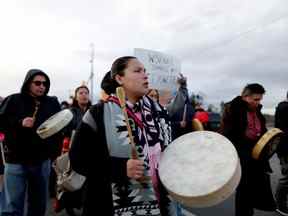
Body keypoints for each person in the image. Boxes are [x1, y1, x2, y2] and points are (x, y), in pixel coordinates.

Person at [69, 56, 176, 216]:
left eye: (145, 71)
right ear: (119, 78)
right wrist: (119, 167)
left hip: (160, 203)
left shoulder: (159, 113)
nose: (145, 75)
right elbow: (78, 159)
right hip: (109, 205)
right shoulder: (98, 113)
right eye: (137, 70)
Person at [0, 69, 62, 216]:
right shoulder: (13, 100)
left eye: (45, 84)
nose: (42, 86)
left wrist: (54, 153)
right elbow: (1, 123)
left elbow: (60, 128)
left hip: (41, 161)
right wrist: (20, 123)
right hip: (16, 161)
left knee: (38, 204)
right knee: (11, 205)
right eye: (38, 83)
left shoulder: (51, 102)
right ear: (28, 83)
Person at [220, 83, 276, 216]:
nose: (258, 103)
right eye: (255, 99)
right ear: (245, 97)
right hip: (242, 156)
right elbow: (227, 134)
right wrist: (240, 154)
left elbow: (262, 132)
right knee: (243, 192)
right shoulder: (233, 110)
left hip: (256, 156)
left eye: (260, 100)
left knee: (253, 191)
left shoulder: (257, 111)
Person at [54, 85, 91, 216]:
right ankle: (68, 205)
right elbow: (63, 130)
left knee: (88, 181)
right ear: (76, 96)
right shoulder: (70, 112)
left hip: (90, 151)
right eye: (81, 93)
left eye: (86, 92)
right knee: (71, 178)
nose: (84, 95)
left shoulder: (93, 110)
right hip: (73, 149)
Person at [166, 74, 194, 140]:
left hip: (185, 139)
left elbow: (182, 98)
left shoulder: (185, 107)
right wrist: (178, 124)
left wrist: (183, 86)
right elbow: (164, 124)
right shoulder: (165, 109)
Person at [275, 91, 288, 215]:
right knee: (286, 179)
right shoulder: (284, 108)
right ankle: (280, 205)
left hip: (284, 148)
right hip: (286, 149)